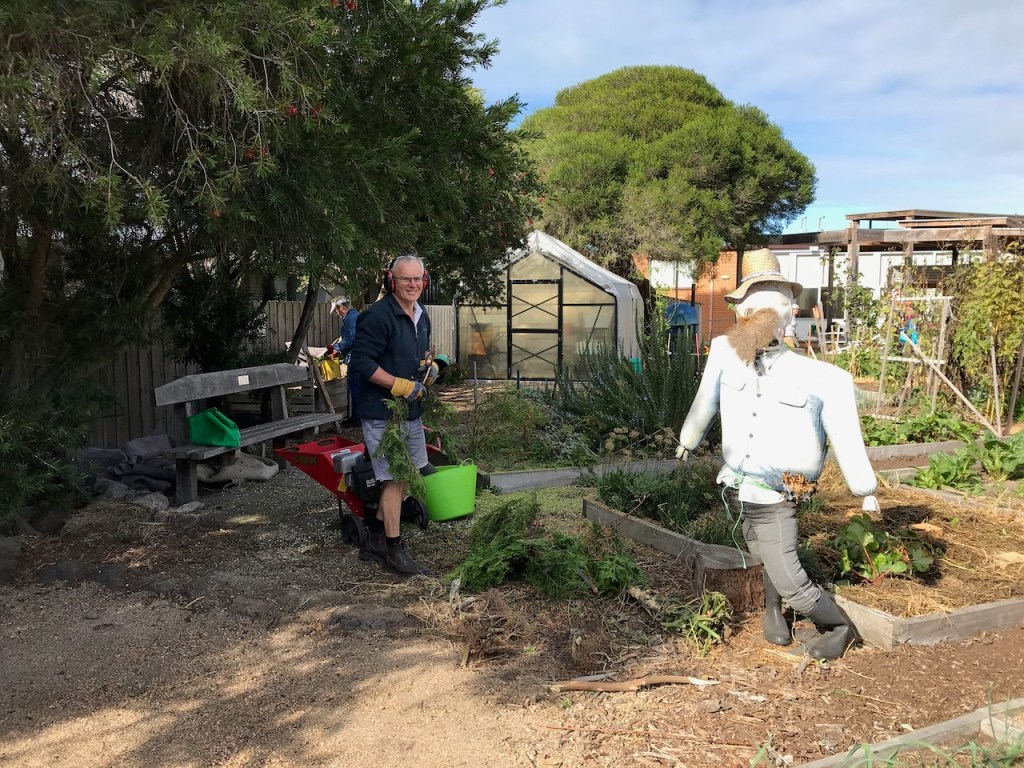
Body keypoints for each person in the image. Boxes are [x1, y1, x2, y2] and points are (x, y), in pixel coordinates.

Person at [675, 248, 879, 661]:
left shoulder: (824, 378)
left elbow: (845, 435)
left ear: (787, 312)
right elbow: (705, 400)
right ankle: (773, 609)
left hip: (780, 491)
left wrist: (865, 489)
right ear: (741, 312)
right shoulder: (725, 353)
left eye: (771, 306)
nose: (760, 316)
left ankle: (839, 627)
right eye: (752, 307)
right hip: (738, 484)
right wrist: (688, 439)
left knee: (787, 571)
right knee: (760, 549)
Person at [348, 252, 439, 575]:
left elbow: (418, 353)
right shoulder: (377, 316)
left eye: (417, 279)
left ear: (424, 281)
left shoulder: (421, 314)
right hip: (381, 413)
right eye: (405, 279)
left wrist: (429, 366)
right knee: (393, 477)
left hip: (410, 411)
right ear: (391, 281)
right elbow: (361, 362)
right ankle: (393, 549)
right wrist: (398, 385)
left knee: (407, 474)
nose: (412, 284)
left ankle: (373, 537)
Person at [328, 297, 361, 425]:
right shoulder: (355, 316)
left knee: (355, 386)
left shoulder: (350, 318)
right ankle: (359, 416)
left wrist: (334, 348)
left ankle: (357, 418)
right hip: (359, 356)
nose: (336, 314)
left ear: (341, 307)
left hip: (356, 357)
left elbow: (349, 340)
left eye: (336, 311)